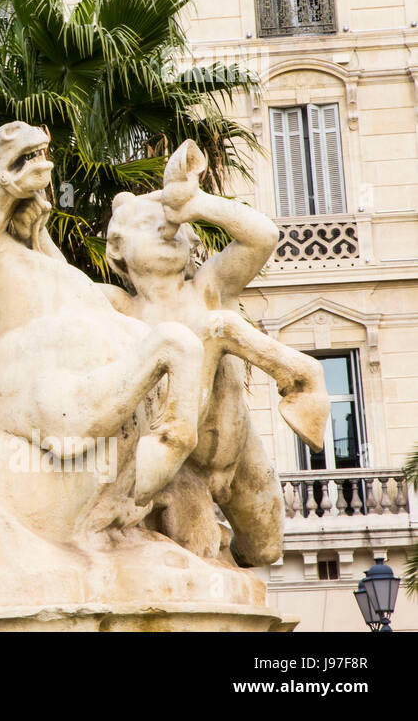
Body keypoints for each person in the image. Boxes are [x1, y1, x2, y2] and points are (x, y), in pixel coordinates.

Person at [101, 140, 330, 563]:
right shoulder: (116, 309)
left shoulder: (209, 286)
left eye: (176, 227)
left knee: (265, 548)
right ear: (118, 251)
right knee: (195, 547)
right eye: (152, 225)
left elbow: (263, 236)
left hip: (238, 448)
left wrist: (195, 204)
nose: (169, 230)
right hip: (180, 463)